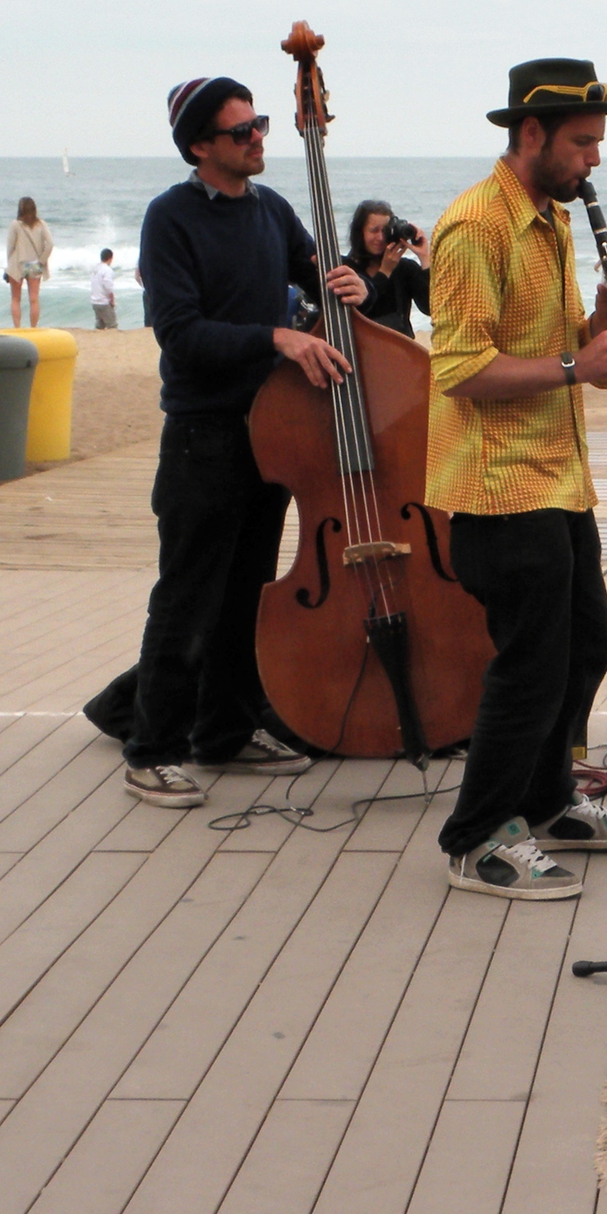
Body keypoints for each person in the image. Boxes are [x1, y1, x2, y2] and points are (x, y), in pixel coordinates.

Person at [426, 58, 607, 901]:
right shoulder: (476, 227)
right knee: (530, 665)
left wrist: (598, 330)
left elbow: (570, 362)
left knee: (585, 644)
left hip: (557, 478)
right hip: (495, 485)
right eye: (583, 143)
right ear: (532, 134)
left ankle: (548, 801)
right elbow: (460, 369)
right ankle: (476, 836)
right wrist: (576, 359)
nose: (594, 161)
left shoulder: (550, 220)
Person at [119, 76, 370, 809]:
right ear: (200, 147)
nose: (260, 137)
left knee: (246, 596)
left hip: (271, 434)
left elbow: (319, 275)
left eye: (259, 124)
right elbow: (181, 332)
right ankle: (151, 750)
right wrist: (278, 336)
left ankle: (223, 733)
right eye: (242, 131)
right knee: (186, 600)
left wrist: (347, 284)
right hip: (204, 435)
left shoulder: (271, 209)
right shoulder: (171, 218)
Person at [341, 200, 431, 337]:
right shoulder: (346, 268)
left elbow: (431, 307)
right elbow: (364, 311)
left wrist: (425, 258)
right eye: (374, 230)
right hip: (361, 348)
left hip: (400, 348)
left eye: (385, 231)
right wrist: (385, 271)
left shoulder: (404, 268)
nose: (381, 237)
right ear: (360, 233)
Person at [5, 196, 54, 328]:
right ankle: (33, 327)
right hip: (35, 264)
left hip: (17, 263)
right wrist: (42, 260)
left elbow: (10, 246)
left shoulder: (15, 224)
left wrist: (8, 264)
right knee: (34, 299)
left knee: (15, 298)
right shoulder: (41, 224)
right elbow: (50, 244)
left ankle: (17, 327)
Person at [90, 248, 118, 330]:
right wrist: (112, 300)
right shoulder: (107, 270)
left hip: (94, 301)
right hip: (103, 302)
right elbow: (108, 286)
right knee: (112, 325)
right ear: (110, 258)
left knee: (100, 326)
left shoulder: (95, 269)